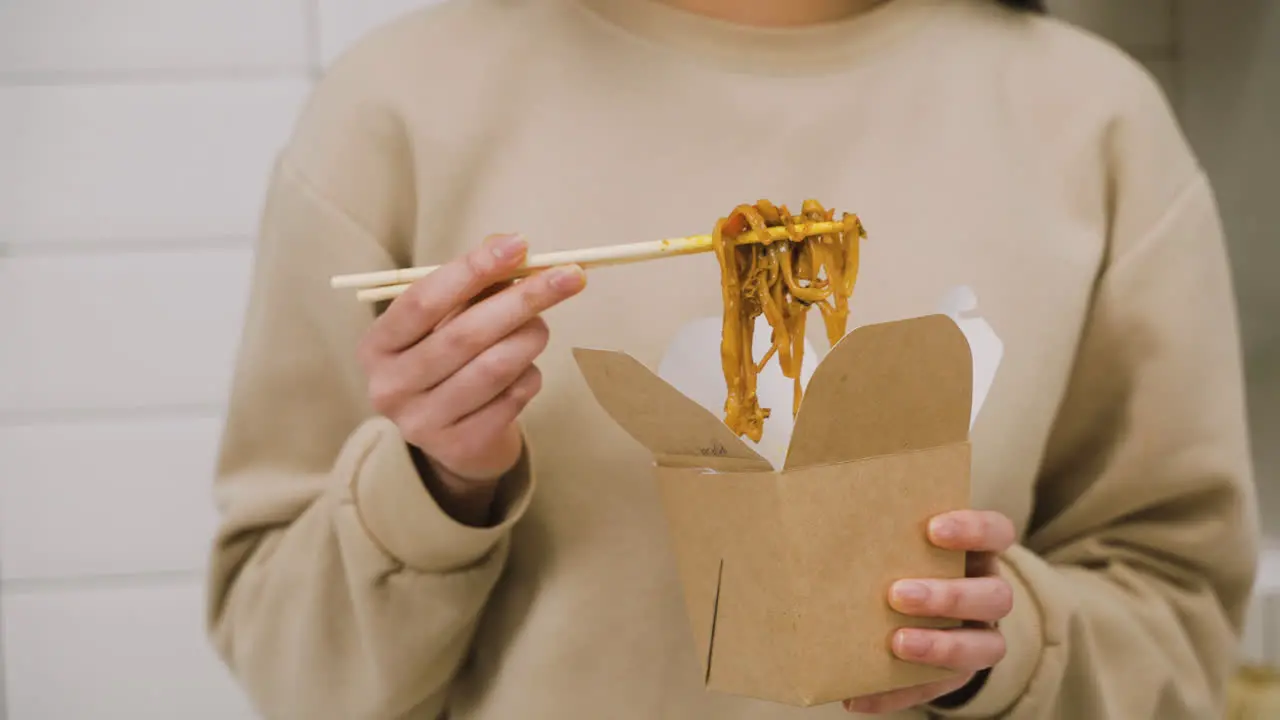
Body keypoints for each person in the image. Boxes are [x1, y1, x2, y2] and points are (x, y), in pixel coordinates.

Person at [204, 0, 1260, 717]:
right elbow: (295, 674)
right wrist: (435, 483)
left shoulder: (1090, 117)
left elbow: (1177, 622)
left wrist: (1005, 650)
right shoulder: (398, 106)